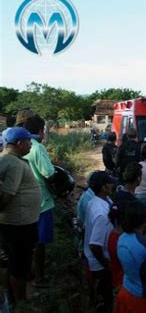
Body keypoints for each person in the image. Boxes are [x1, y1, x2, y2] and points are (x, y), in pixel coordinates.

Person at [0, 127, 40, 304]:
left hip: (18, 222)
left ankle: (14, 299)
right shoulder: (14, 164)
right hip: (19, 225)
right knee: (19, 265)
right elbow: (7, 196)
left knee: (14, 262)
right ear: (19, 143)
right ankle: (21, 302)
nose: (31, 144)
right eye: (29, 141)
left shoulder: (10, 160)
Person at [21, 116, 56, 288]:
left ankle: (27, 273)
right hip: (42, 201)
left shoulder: (18, 146)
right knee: (40, 242)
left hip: (24, 201)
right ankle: (39, 278)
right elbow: (49, 173)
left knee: (27, 240)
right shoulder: (37, 148)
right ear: (41, 131)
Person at [116, 201, 146, 313]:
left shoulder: (121, 238)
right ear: (145, 221)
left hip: (126, 289)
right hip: (142, 297)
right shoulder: (144, 243)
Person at [84, 171, 115, 313]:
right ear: (103, 187)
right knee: (106, 297)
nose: (113, 185)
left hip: (97, 260)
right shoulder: (102, 214)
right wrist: (105, 264)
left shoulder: (97, 201)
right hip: (100, 264)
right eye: (110, 183)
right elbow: (95, 244)